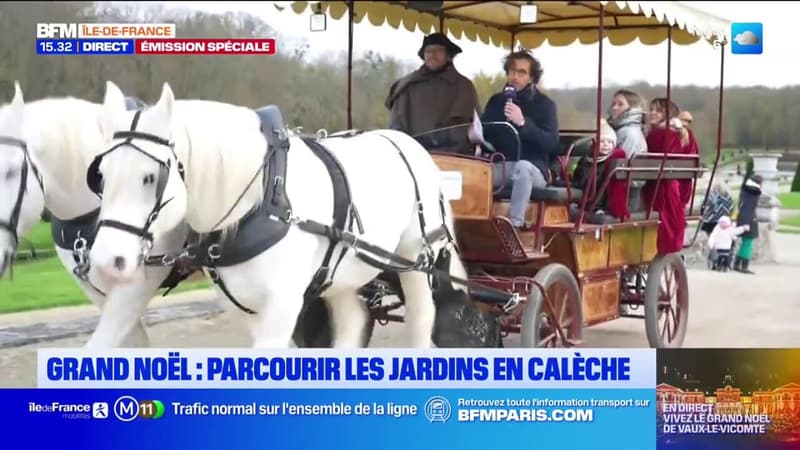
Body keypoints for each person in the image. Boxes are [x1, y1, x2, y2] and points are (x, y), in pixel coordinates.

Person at [481, 50, 559, 228]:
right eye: (511, 71)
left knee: (523, 168)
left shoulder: (545, 105)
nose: (514, 76)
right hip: (502, 164)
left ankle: (514, 225)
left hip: (534, 168)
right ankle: (471, 226)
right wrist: (476, 135)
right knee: (472, 172)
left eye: (521, 72)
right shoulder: (496, 101)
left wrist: (523, 123)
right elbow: (486, 133)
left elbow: (552, 144)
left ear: (531, 78)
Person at [385, 32, 480, 140]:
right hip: (412, 150)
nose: (432, 55)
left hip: (452, 153)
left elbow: (470, 127)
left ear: (448, 56)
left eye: (438, 50)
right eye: (428, 51)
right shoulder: (407, 85)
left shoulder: (463, 87)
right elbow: (397, 124)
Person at [642, 98, 686, 255]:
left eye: (658, 110)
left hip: (661, 185)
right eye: (652, 109)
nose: (653, 113)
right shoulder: (663, 132)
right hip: (660, 182)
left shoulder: (662, 134)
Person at [572, 119, 630, 221]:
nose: (606, 144)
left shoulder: (609, 163)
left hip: (598, 203)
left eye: (609, 142)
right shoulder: (586, 159)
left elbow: (607, 189)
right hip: (584, 196)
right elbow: (577, 178)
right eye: (602, 141)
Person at [607, 89, 648, 212]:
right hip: (622, 190)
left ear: (632, 109)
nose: (614, 107)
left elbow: (620, 167)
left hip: (625, 195)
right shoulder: (623, 129)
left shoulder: (629, 133)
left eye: (620, 104)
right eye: (613, 103)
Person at [734, 174, 763, 274]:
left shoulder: (745, 191)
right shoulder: (753, 193)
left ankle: (737, 264)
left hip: (742, 217)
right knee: (748, 243)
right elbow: (748, 209)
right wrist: (747, 223)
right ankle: (744, 266)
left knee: (745, 242)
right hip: (749, 219)